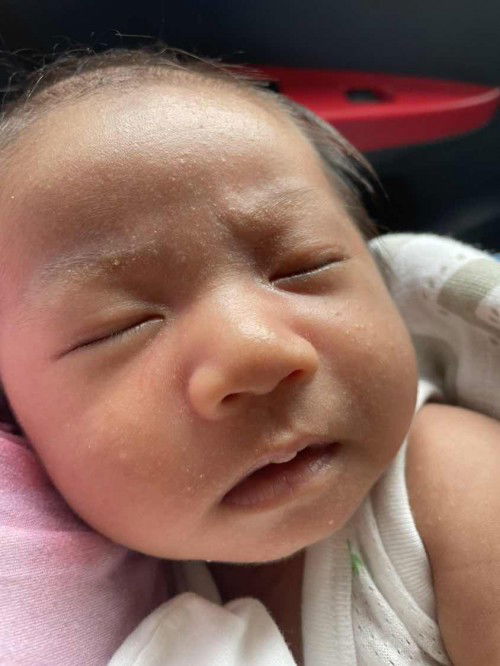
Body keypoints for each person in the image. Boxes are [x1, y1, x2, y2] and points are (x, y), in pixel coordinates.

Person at [0, 46, 498, 665]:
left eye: (302, 267)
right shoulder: (110, 598)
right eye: (122, 327)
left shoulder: (450, 481)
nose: (253, 350)